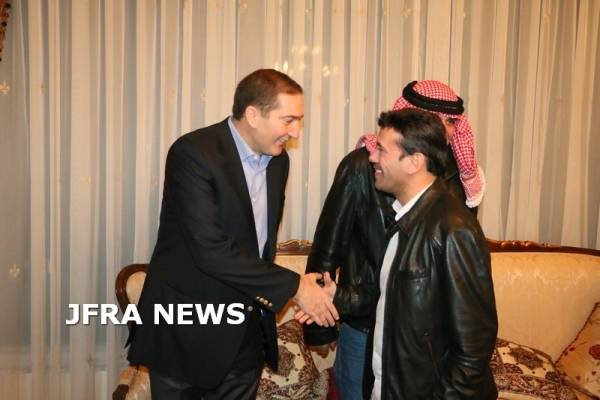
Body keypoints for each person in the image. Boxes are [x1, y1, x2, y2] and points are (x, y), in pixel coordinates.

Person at [127, 69, 338, 399]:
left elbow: (257, 245)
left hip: (245, 336)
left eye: (299, 121)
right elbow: (209, 248)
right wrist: (295, 287)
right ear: (253, 115)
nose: (296, 131)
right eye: (288, 120)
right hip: (187, 332)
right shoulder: (193, 153)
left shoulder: (278, 162)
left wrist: (305, 288)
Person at [301, 108, 498, 399]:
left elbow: (474, 347)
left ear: (414, 162)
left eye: (382, 150)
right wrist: (337, 296)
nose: (371, 157)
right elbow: (392, 296)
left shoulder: (454, 229)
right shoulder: (406, 218)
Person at [303, 141, 394, 400]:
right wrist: (320, 325)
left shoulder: (455, 173)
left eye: (452, 122)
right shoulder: (361, 165)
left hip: (417, 333)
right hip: (362, 323)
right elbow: (328, 245)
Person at [392, 80, 486, 213]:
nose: (444, 130)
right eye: (434, 119)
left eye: (450, 121)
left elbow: (466, 225)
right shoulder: (370, 164)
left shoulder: (461, 173)